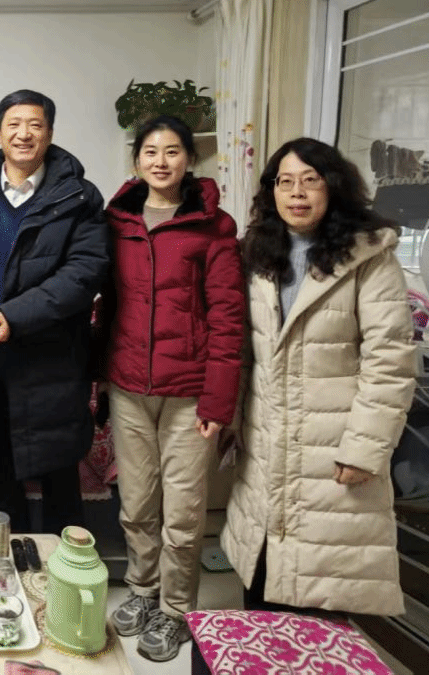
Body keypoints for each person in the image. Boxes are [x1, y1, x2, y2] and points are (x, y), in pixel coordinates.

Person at [221, 137, 416, 617]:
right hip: (266, 445)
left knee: (323, 586)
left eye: (310, 180)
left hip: (331, 449)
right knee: (261, 580)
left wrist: (364, 449)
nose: (297, 193)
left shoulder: (368, 257)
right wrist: (229, 420)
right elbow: (242, 350)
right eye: (285, 181)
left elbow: (390, 361)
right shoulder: (258, 256)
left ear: (333, 187)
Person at [102, 115, 245, 663]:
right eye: (151, 151)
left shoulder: (214, 226)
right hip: (128, 386)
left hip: (189, 391)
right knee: (137, 504)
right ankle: (142, 590)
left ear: (189, 159)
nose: (161, 161)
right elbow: (106, 305)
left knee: (184, 514)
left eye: (172, 151)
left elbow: (227, 318)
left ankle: (176, 608)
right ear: (136, 160)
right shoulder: (116, 221)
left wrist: (219, 399)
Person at [0, 89, 110, 534]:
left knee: (59, 476)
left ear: (50, 134)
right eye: (14, 124)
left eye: (35, 125)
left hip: (52, 361)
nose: (24, 134)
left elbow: (84, 273)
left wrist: (16, 315)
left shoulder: (80, 196)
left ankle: (65, 573)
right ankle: (6, 569)